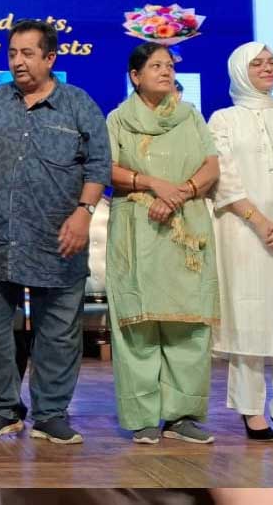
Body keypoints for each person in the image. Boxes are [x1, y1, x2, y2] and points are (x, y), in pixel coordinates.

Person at [0, 19, 111, 445]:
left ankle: (51, 414)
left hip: (59, 240)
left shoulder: (78, 105)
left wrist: (84, 214)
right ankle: (1, 410)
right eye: (12, 54)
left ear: (50, 57)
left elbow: (98, 167)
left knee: (57, 332)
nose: (18, 61)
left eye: (27, 53)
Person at [105, 42, 220, 444]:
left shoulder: (191, 117)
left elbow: (211, 165)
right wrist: (152, 184)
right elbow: (107, 169)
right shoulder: (118, 119)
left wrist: (179, 193)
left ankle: (182, 415)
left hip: (185, 229)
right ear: (135, 76)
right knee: (138, 322)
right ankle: (143, 417)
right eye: (156, 66)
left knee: (188, 323)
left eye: (169, 65)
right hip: (136, 227)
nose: (166, 71)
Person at [208, 42, 273, 441]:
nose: (267, 68)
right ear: (240, 70)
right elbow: (223, 178)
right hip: (242, 231)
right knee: (249, 315)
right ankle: (251, 409)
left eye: (272, 62)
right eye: (257, 63)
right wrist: (261, 223)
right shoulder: (223, 119)